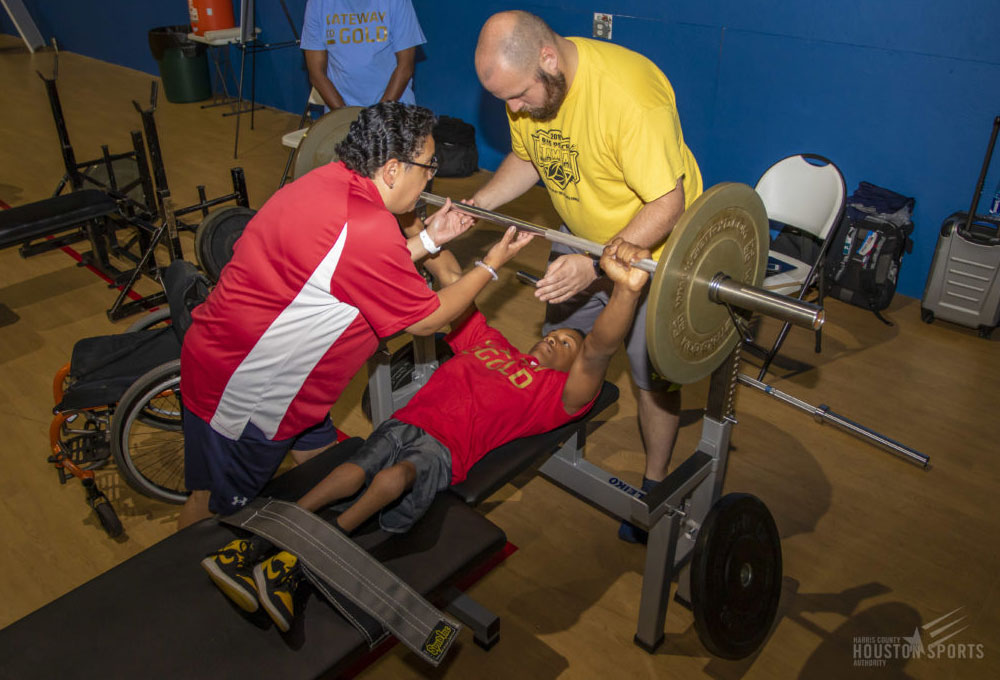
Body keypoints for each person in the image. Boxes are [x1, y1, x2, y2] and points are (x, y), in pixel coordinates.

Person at [201, 238, 652, 632]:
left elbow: (599, 349)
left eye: (566, 346)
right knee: (354, 468)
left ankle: (302, 561)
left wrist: (625, 291)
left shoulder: (554, 395)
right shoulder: (490, 344)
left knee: (393, 480)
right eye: (558, 336)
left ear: (571, 368)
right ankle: (261, 540)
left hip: (444, 450)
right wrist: (424, 226)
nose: (557, 341)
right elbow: (452, 276)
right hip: (409, 421)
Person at [178, 102, 534, 530]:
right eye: (427, 167)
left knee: (327, 468)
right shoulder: (366, 228)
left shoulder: (328, 183)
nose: (430, 178)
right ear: (391, 170)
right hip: (252, 392)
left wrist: (430, 238)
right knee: (215, 511)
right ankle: (195, 579)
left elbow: (354, 268)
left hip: (266, 374)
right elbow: (428, 320)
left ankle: (320, 551)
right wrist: (489, 265)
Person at [471, 11, 704, 542]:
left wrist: (597, 259)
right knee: (571, 347)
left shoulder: (629, 95)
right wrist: (479, 203)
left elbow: (668, 202)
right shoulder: (534, 85)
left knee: (650, 375)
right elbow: (528, 158)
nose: (512, 109)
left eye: (518, 96)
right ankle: (561, 443)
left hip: (655, 252)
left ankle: (654, 484)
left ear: (547, 60)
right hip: (582, 242)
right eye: (504, 99)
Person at [301, 0, 426, 110]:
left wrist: (375, 118)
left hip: (394, 108)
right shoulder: (317, 4)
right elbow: (316, 73)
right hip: (340, 114)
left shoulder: (396, 2)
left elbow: (405, 67)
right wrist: (345, 118)